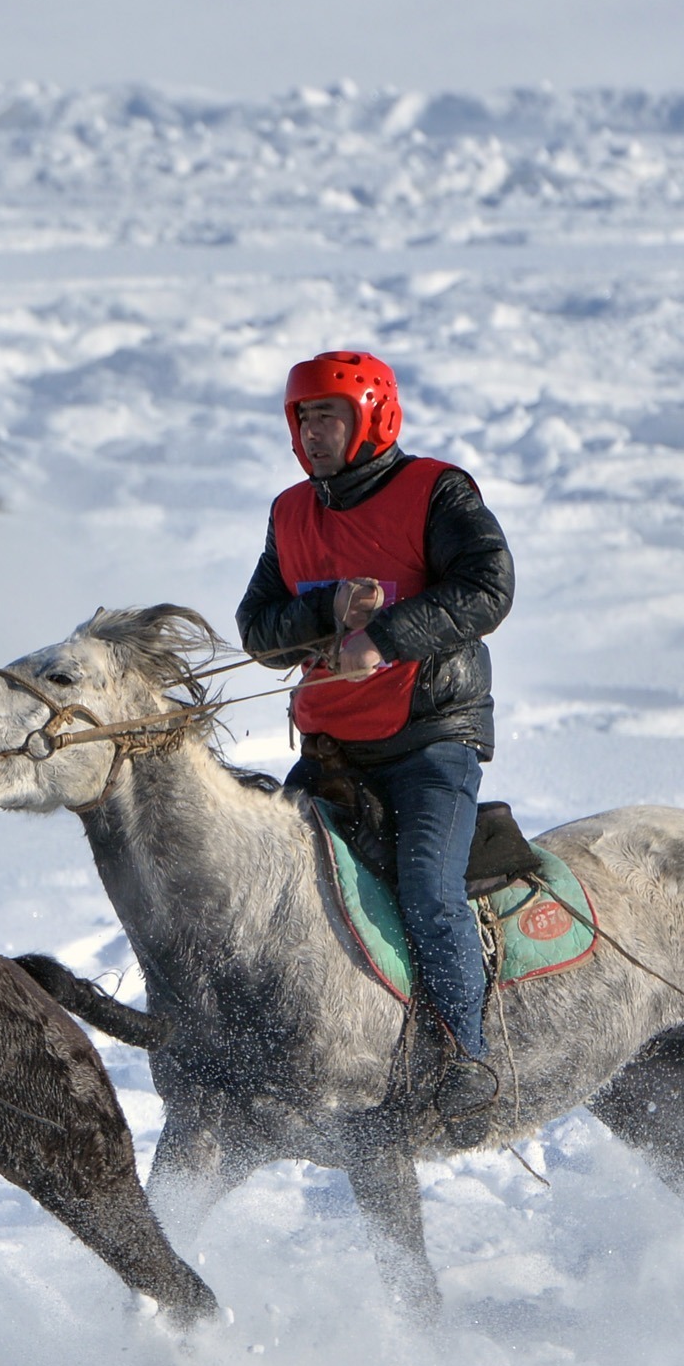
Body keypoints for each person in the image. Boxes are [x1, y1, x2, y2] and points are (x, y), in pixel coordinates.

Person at [236, 352, 516, 1130]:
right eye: (301, 418)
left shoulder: (436, 490)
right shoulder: (290, 511)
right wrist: (326, 610)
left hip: (431, 739)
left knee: (429, 887)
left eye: (327, 415)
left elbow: (489, 585)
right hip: (332, 750)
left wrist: (386, 637)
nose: (311, 432)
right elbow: (257, 629)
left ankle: (467, 1058)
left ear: (372, 416)